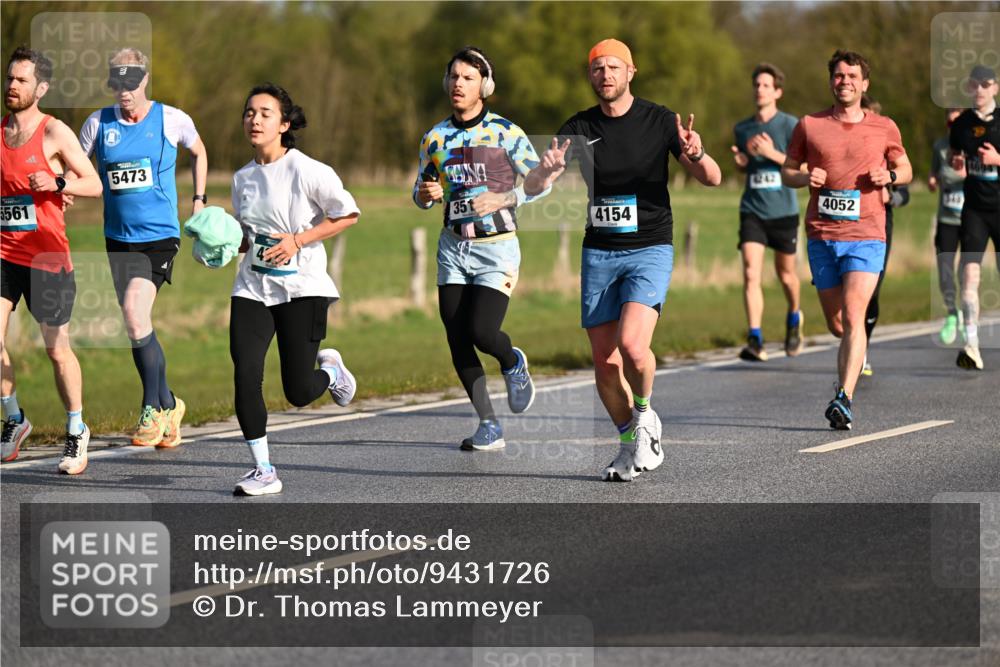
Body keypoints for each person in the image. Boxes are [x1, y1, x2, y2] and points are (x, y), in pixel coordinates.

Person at [525, 39, 722, 481]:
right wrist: (545, 171)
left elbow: (713, 178)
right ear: (590, 75)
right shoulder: (578, 125)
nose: (606, 75)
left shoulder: (659, 120)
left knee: (633, 346)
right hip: (600, 252)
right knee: (605, 362)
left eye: (614, 67)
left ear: (631, 72)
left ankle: (647, 415)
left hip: (650, 247)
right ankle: (629, 442)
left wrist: (696, 154)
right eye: (598, 68)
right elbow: (535, 186)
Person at [229, 83, 359, 496]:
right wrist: (225, 245)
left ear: (284, 124)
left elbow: (348, 214)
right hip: (252, 286)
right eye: (250, 112)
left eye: (265, 113)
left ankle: (331, 371)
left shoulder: (307, 169)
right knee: (245, 373)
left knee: (299, 391)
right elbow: (250, 238)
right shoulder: (242, 178)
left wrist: (298, 241)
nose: (255, 119)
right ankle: (263, 469)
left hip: (302, 288)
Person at [413, 46, 544, 451]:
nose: (458, 84)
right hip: (453, 248)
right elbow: (420, 193)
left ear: (484, 86)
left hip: (496, 249)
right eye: (453, 76)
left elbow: (541, 183)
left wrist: (506, 199)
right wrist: (425, 193)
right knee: (456, 335)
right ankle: (488, 423)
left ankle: (511, 361)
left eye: (468, 78)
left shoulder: (507, 133)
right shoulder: (434, 137)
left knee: (482, 331)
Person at [78, 48, 208, 447]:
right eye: (117, 83)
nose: (125, 91)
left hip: (159, 237)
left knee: (135, 316)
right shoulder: (97, 124)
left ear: (145, 79)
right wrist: (62, 186)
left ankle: (151, 409)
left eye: (131, 82)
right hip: (117, 240)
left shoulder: (171, 119)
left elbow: (199, 151)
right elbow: (76, 167)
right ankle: (171, 404)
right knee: (138, 328)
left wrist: (199, 199)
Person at [781, 50, 911, 430]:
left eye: (852, 76)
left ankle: (844, 398)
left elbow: (905, 167)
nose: (845, 82)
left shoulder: (884, 126)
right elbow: (787, 171)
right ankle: (849, 367)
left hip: (867, 235)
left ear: (864, 83)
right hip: (822, 235)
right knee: (838, 324)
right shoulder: (809, 125)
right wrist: (805, 177)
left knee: (855, 316)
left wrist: (890, 175)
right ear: (831, 81)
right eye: (838, 76)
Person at [1, 46, 103, 473]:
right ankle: (15, 419)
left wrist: (59, 181)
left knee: (56, 351)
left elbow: (94, 184)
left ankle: (77, 430)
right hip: (5, 254)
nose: (11, 85)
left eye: (21, 80)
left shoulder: (54, 132)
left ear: (40, 88)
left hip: (47, 258)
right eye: (9, 78)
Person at [731, 63, 803, 362]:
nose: (759, 90)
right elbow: (745, 164)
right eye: (756, 85)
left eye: (765, 85)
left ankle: (794, 316)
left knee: (786, 276)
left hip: (784, 211)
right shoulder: (742, 128)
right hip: (753, 210)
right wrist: (741, 161)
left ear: (778, 91)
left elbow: (799, 166)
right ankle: (755, 337)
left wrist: (771, 152)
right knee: (750, 272)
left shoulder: (791, 126)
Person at [949, 64, 999, 371]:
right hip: (975, 211)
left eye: (986, 83)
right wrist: (957, 162)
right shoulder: (961, 124)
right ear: (969, 88)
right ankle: (971, 345)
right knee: (968, 276)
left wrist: (997, 160)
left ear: (995, 87)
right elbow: (956, 155)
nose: (980, 89)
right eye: (975, 84)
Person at [858, 96, 910, 377]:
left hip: (880, 223)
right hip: (848, 224)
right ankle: (855, 346)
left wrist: (891, 192)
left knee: (872, 289)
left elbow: (906, 189)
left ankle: (863, 345)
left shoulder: (887, 147)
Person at [928, 108, 966, 346]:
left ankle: (968, 317)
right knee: (944, 271)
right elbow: (935, 172)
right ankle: (953, 313)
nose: (953, 126)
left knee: (967, 272)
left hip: (972, 218)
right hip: (946, 218)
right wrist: (932, 179)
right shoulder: (940, 146)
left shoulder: (974, 145)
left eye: (958, 122)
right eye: (950, 122)